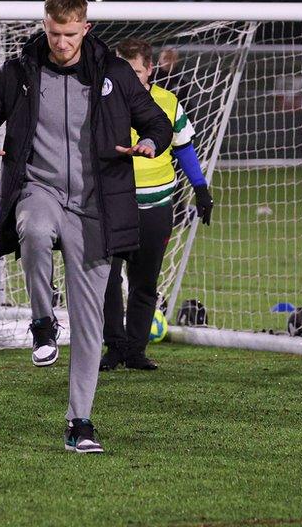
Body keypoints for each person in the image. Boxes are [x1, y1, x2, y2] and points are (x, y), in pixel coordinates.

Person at [0, 0, 172, 453]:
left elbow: (157, 122)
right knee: (32, 229)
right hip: (41, 189)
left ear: (85, 29)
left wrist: (152, 142)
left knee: (91, 323)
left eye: (70, 34)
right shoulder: (21, 72)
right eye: (54, 33)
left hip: (97, 206)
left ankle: (80, 422)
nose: (61, 42)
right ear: (45, 26)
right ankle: (41, 322)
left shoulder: (114, 73)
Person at [100, 38, 213, 371]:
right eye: (122, 70)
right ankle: (114, 346)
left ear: (149, 69)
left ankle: (135, 350)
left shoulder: (167, 101)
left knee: (145, 280)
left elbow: (183, 147)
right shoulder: (102, 103)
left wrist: (201, 188)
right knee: (106, 281)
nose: (129, 78)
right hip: (114, 207)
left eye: (135, 71)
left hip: (158, 206)